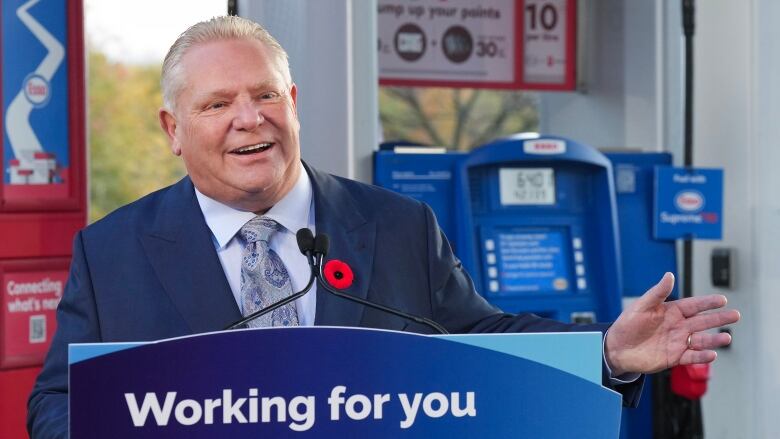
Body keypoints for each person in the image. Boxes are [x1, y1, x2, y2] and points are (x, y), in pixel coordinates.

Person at [27, 16, 740, 438]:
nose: (250, 118)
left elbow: (481, 344)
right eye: (218, 104)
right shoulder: (111, 250)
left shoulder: (398, 225)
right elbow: (54, 407)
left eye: (266, 94)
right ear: (172, 129)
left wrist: (607, 352)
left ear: (294, 102)